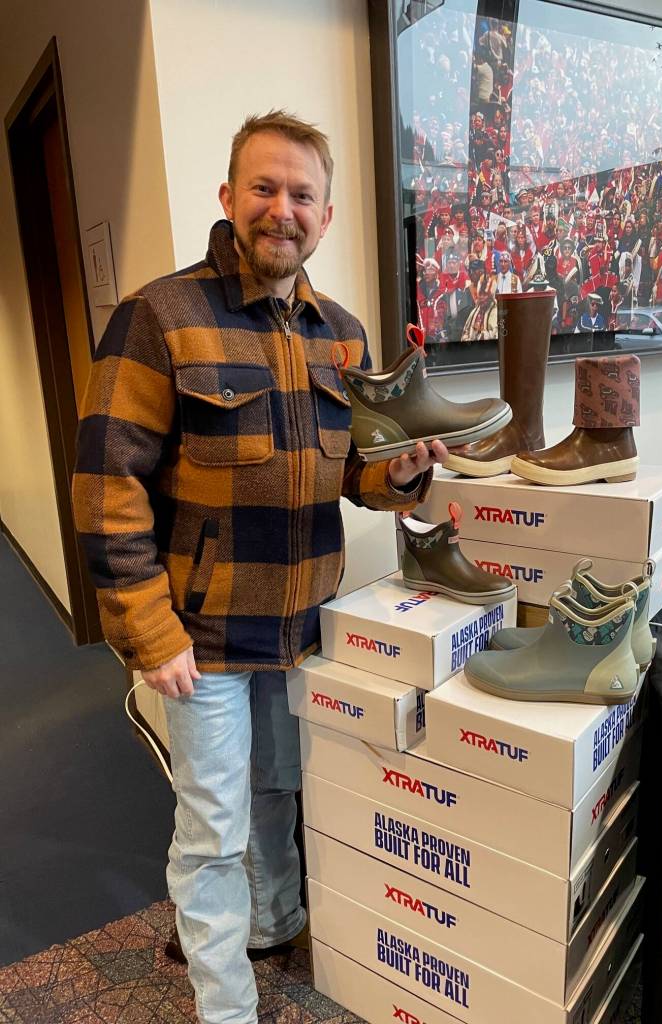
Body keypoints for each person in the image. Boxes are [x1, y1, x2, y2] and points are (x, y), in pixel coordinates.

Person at [72, 110, 447, 1024]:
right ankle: (227, 1006)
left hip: (304, 628)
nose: (283, 208)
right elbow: (105, 486)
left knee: (280, 793)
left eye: (302, 195)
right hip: (200, 637)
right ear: (230, 198)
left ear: (326, 217)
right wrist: (148, 632)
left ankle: (273, 923)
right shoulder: (160, 317)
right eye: (265, 188)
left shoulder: (343, 334)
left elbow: (352, 472)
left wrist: (396, 473)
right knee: (211, 830)